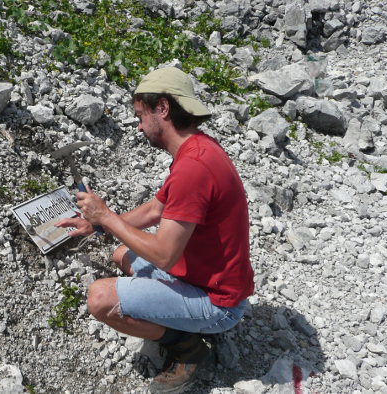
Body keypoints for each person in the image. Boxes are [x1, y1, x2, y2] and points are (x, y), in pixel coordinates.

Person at [55, 67, 254, 393]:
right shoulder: (197, 148)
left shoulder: (194, 167)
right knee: (122, 254)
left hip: (220, 303)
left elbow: (164, 254)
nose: (138, 125)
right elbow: (155, 209)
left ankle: (188, 347)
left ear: (162, 108)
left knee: (100, 299)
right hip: (202, 277)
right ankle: (178, 320)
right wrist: (94, 225)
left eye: (140, 114)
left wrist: (106, 216)